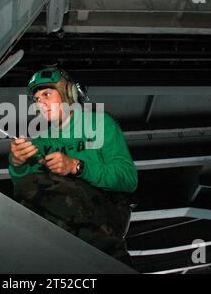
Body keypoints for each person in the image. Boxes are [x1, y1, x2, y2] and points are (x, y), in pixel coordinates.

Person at [8, 67, 138, 263]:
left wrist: (77, 167)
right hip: (64, 219)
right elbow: (26, 188)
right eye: (36, 99)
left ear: (68, 94)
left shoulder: (99, 123)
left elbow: (128, 179)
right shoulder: (40, 142)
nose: (40, 102)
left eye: (46, 94)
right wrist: (17, 164)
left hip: (108, 211)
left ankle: (113, 261)